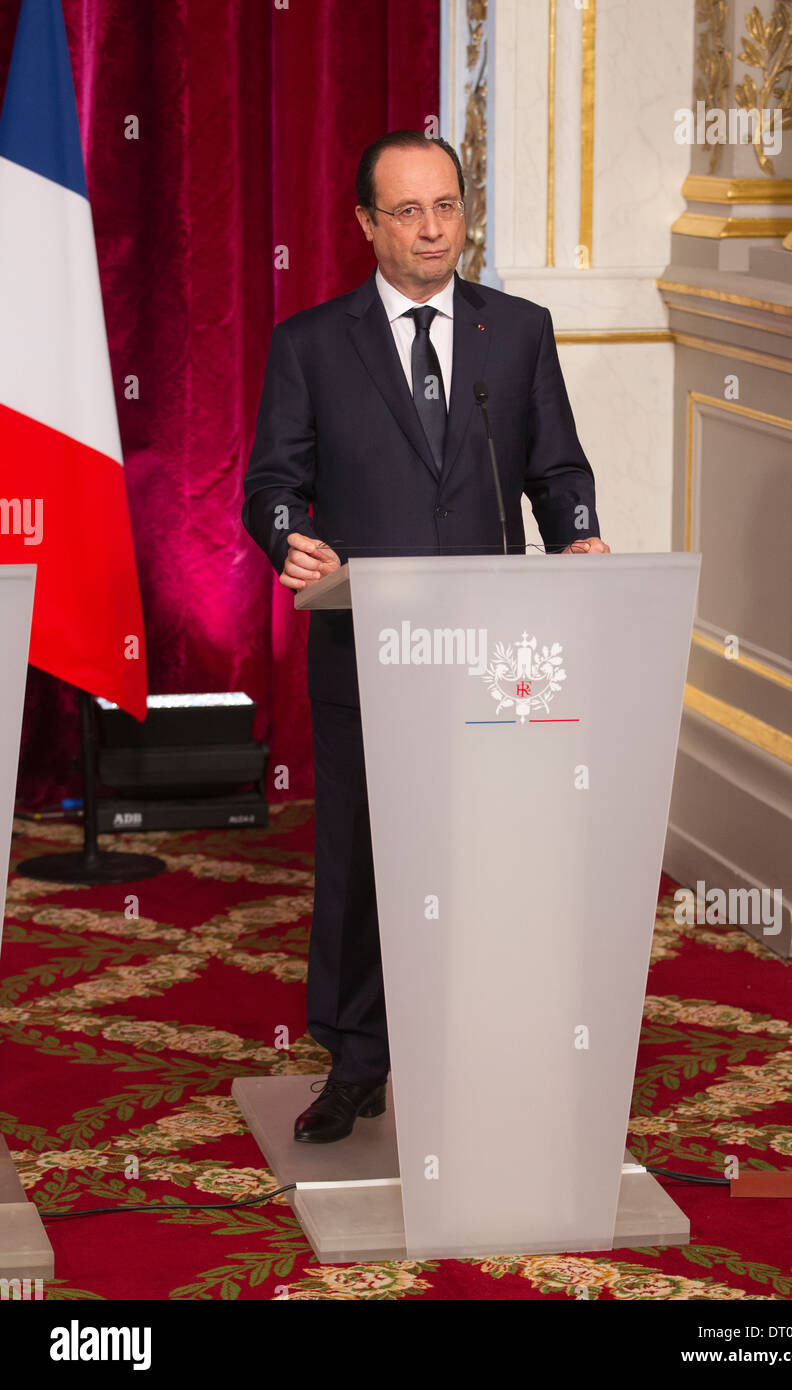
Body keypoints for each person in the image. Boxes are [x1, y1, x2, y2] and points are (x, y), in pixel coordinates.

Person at [242, 129, 609, 1144]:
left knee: (491, 855)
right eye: (407, 210)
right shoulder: (311, 344)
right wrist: (291, 541)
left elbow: (559, 471)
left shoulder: (518, 333)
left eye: (445, 205)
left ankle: (487, 1050)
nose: (433, 227)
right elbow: (270, 485)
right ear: (365, 223)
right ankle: (355, 1061)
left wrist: (575, 536)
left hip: (496, 654)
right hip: (368, 650)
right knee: (361, 857)